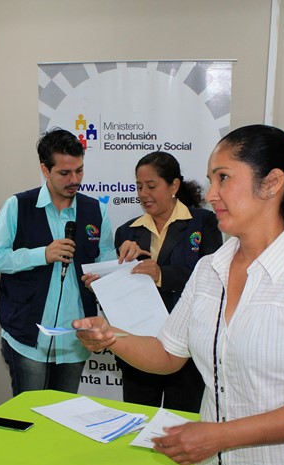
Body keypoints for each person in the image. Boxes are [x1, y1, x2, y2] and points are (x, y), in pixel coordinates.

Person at [74, 124, 284, 465]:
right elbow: (168, 353)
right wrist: (111, 337)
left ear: (272, 183)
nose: (211, 194)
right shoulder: (211, 269)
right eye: (211, 179)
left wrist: (219, 436)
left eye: (224, 178)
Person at [0, 128, 116, 395]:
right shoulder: (18, 206)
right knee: (28, 413)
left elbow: (105, 257)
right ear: (45, 169)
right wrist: (41, 254)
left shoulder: (96, 210)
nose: (74, 180)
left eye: (79, 171)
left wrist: (102, 276)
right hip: (28, 337)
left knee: (63, 411)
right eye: (64, 173)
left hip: (75, 338)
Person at [89, 151, 222, 412]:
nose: (144, 194)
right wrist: (101, 284)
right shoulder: (127, 232)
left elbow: (212, 278)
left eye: (151, 186)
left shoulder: (203, 222)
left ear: (174, 186)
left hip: (186, 346)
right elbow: (123, 292)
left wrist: (161, 274)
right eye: (139, 186)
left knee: (179, 422)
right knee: (137, 419)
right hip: (139, 344)